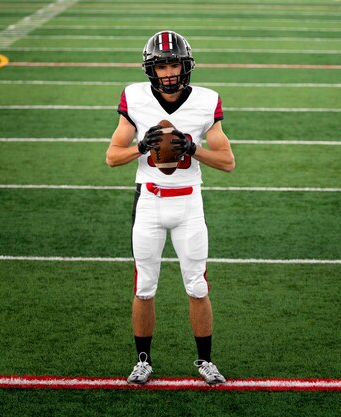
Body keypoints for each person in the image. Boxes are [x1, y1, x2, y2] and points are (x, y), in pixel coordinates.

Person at [105, 30, 235, 385]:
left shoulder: (206, 101)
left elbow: (227, 162)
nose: (168, 72)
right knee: (144, 287)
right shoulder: (134, 96)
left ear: (185, 65)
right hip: (148, 201)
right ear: (151, 69)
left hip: (188, 203)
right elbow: (112, 157)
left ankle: (205, 361)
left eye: (173, 63)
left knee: (197, 286)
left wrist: (194, 149)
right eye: (161, 65)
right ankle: (143, 361)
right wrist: (140, 148)